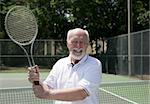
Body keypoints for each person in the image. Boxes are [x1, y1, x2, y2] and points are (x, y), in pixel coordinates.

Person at [28, 28, 102, 104]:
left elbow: (81, 93)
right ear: (67, 43)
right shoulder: (60, 63)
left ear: (87, 45)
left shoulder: (94, 64)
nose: (78, 46)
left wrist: (47, 94)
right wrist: (37, 81)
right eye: (74, 42)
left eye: (82, 42)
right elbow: (47, 86)